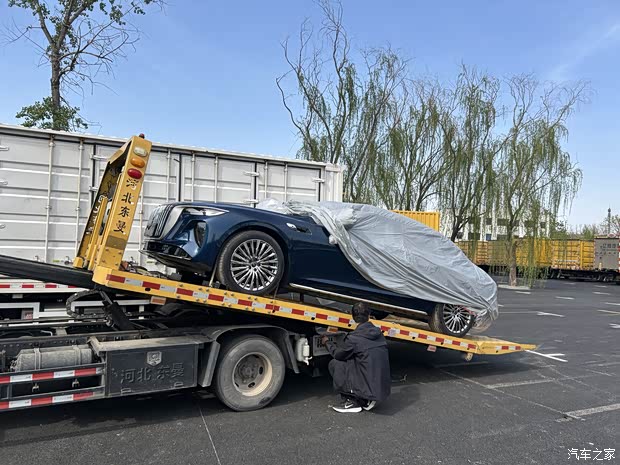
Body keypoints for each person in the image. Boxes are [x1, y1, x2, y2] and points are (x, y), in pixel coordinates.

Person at [322, 302, 391, 413]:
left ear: (353, 317)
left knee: (336, 363)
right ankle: (365, 398)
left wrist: (327, 343)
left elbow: (338, 355)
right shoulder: (378, 333)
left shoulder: (354, 338)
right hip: (381, 391)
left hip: (369, 393)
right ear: (369, 315)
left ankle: (352, 401)